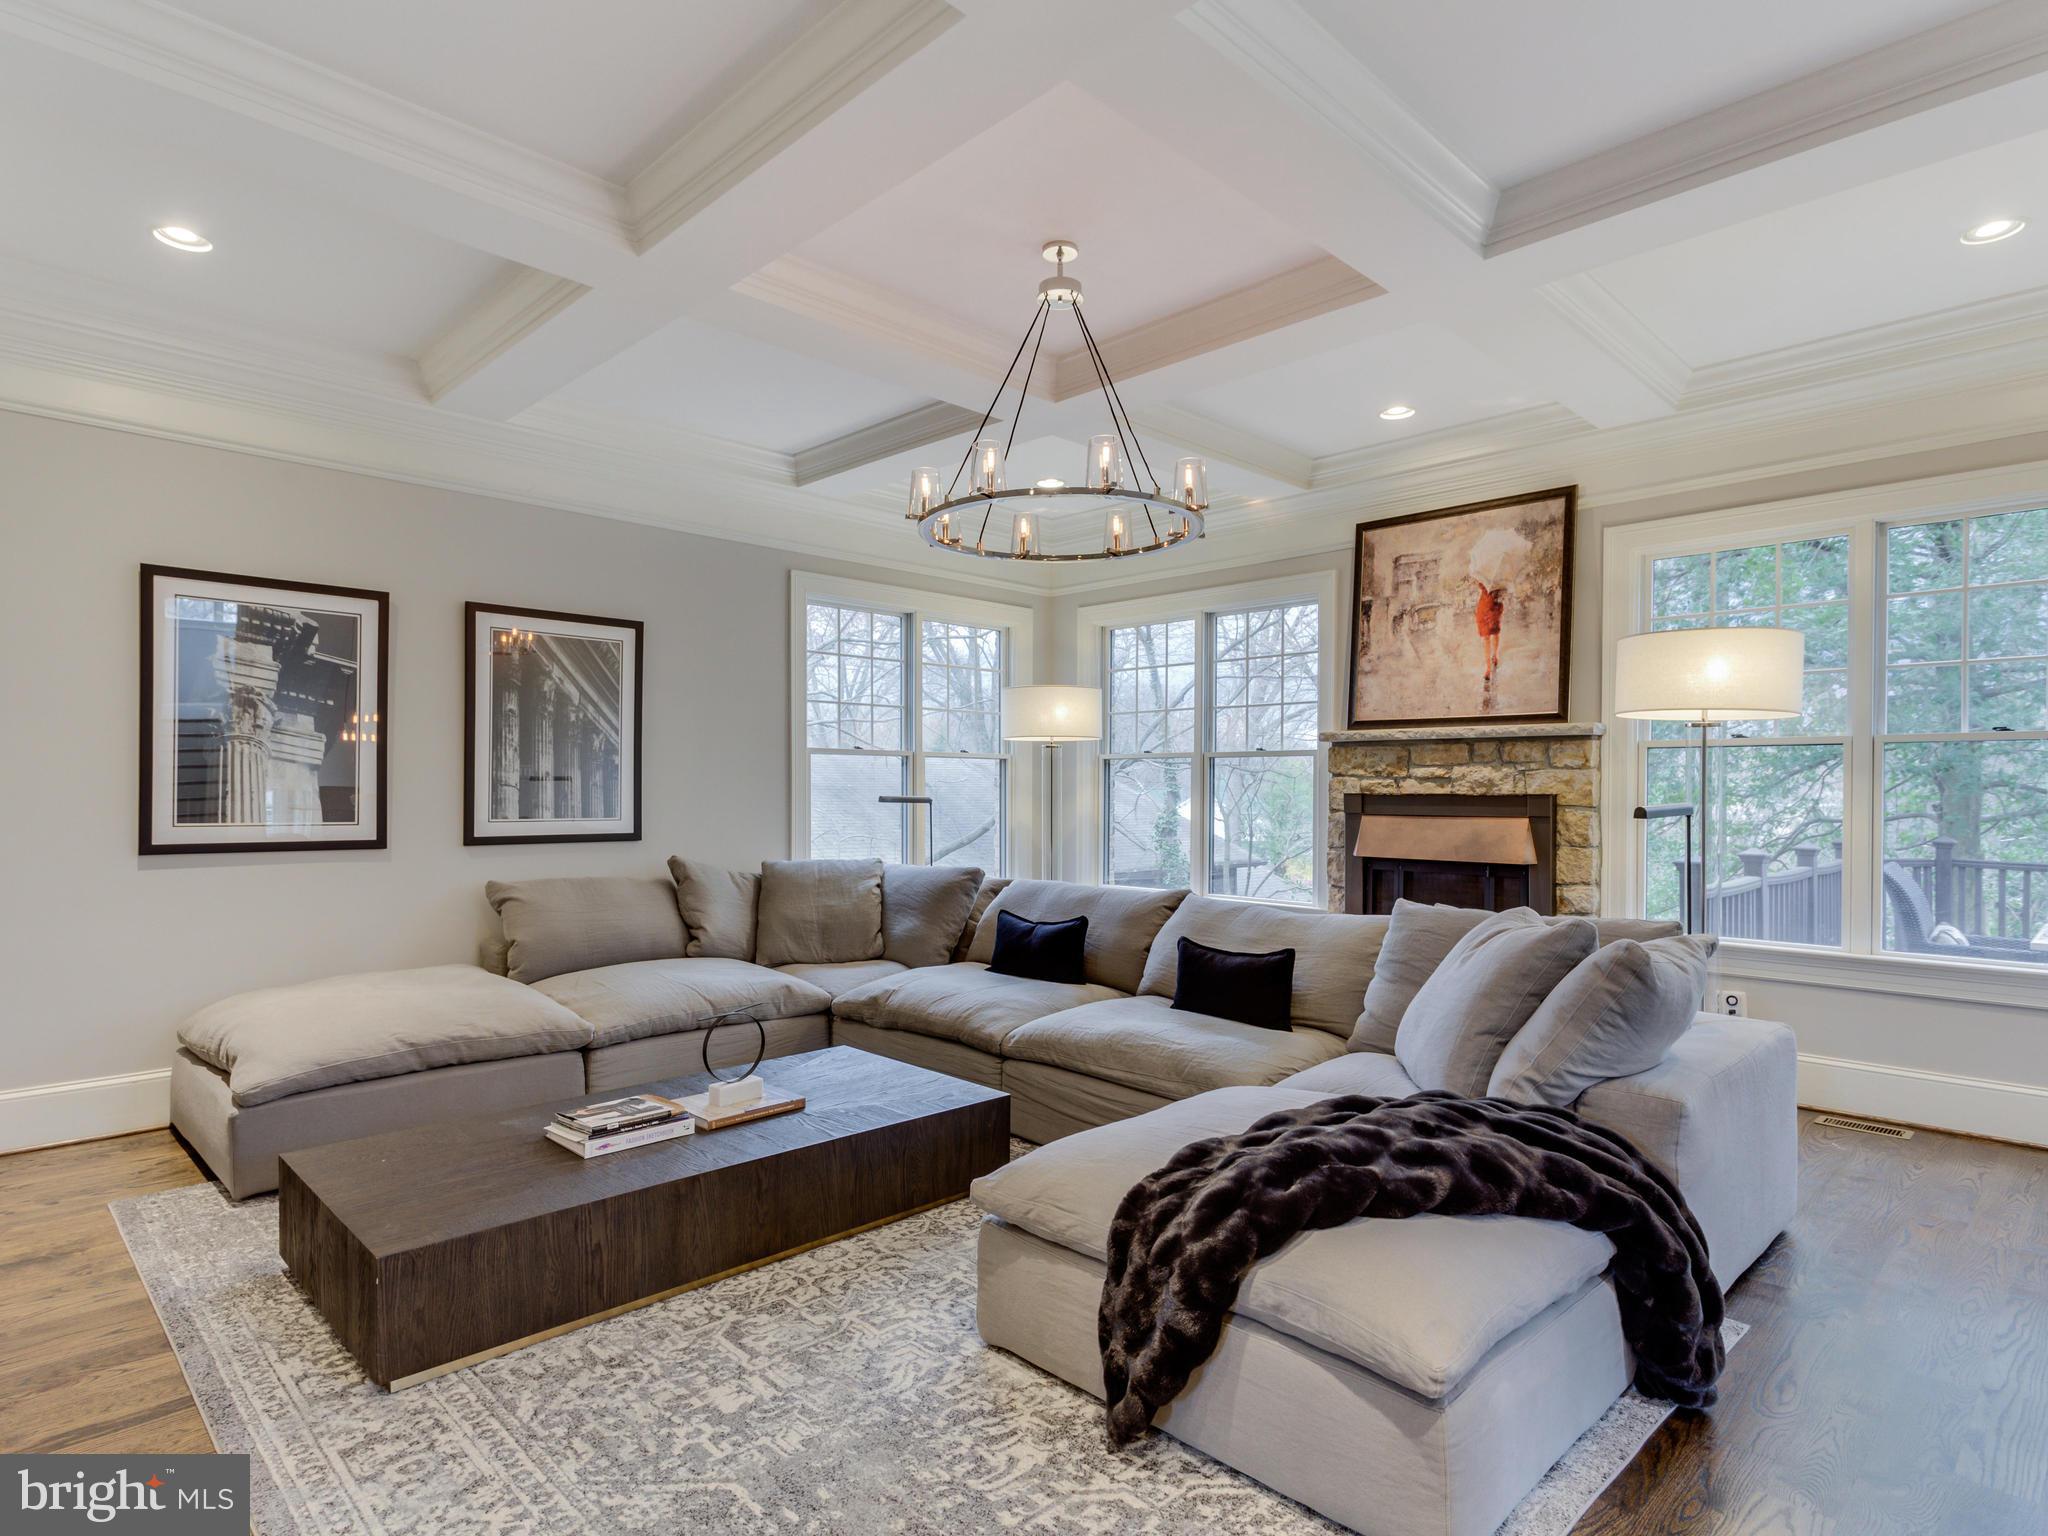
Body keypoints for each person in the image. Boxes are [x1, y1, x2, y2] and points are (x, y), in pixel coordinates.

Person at [1472, 577, 1505, 681]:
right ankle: (1488, 667)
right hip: (1484, 607)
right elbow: (1479, 584)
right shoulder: (1484, 573)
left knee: (1494, 633)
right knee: (1487, 637)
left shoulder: (1500, 575)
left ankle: (1494, 656)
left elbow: (1503, 592)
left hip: (1493, 607)